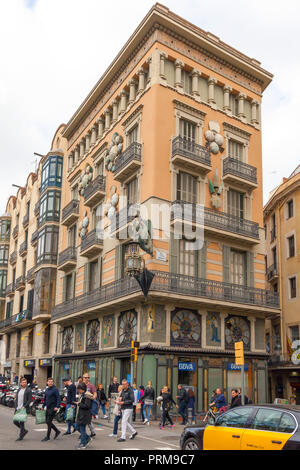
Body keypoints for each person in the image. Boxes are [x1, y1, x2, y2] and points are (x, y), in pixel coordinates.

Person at [74, 383, 94, 450]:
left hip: (85, 415)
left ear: (82, 389)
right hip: (81, 415)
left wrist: (79, 404)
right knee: (77, 427)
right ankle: (87, 438)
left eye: (79, 389)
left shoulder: (86, 396)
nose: (78, 390)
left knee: (82, 429)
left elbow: (87, 406)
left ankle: (83, 443)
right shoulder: (83, 395)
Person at [42, 378, 61, 442]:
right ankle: (57, 431)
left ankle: (48, 437)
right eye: (49, 382)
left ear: (53, 383)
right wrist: (43, 405)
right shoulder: (47, 389)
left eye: (51, 382)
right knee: (47, 421)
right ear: (47, 382)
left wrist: (57, 406)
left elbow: (58, 398)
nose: (50, 383)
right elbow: (45, 398)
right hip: (48, 407)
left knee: (48, 421)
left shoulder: (55, 389)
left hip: (53, 408)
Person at [13, 377, 32, 441]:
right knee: (15, 421)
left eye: (25, 382)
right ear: (20, 383)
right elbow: (16, 398)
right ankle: (24, 430)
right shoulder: (19, 389)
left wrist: (25, 406)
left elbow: (29, 400)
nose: (24, 383)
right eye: (23, 382)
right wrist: (16, 406)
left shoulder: (28, 390)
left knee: (21, 422)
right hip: (17, 408)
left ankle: (21, 436)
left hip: (23, 408)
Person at [82, 373, 97, 438]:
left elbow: (95, 393)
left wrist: (93, 397)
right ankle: (84, 433)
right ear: (83, 378)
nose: (87, 379)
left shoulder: (91, 386)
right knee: (83, 419)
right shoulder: (81, 385)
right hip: (82, 404)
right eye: (85, 377)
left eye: (88, 377)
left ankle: (91, 432)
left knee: (88, 419)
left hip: (89, 405)